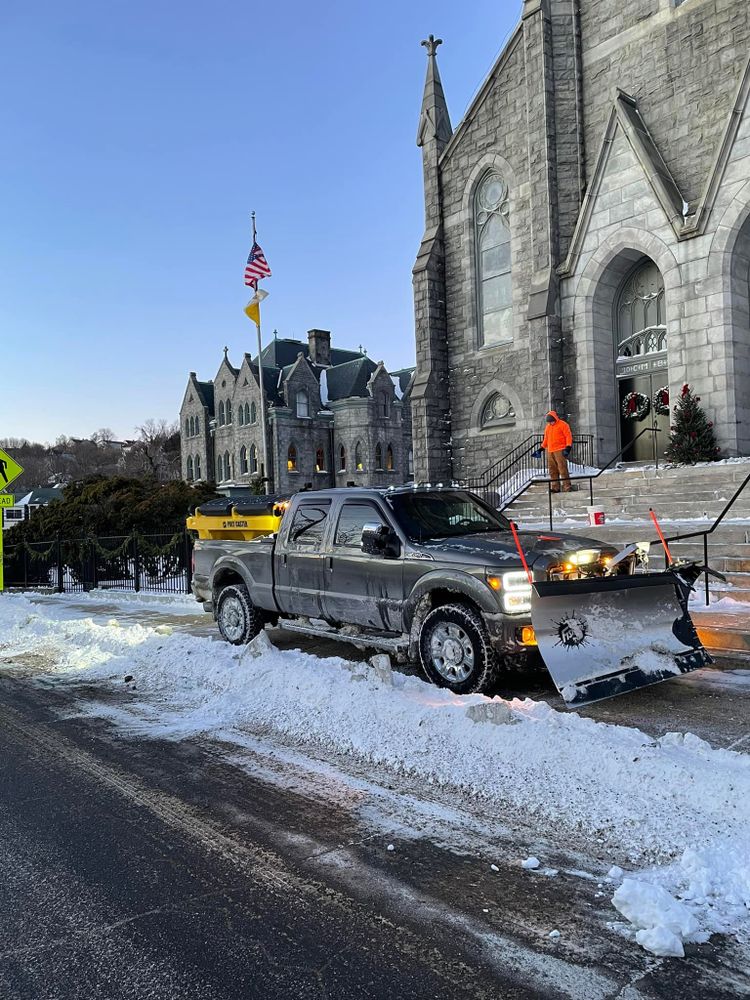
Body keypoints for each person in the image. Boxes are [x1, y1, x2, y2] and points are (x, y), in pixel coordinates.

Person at [533, 410, 574, 493]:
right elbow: (546, 439)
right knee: (552, 470)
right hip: (550, 450)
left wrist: (568, 447)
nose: (551, 423)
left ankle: (567, 486)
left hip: (560, 449)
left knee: (562, 468)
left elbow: (568, 436)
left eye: (552, 421)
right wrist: (541, 449)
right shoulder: (548, 427)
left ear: (555, 418)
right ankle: (555, 487)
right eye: (549, 422)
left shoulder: (563, 424)